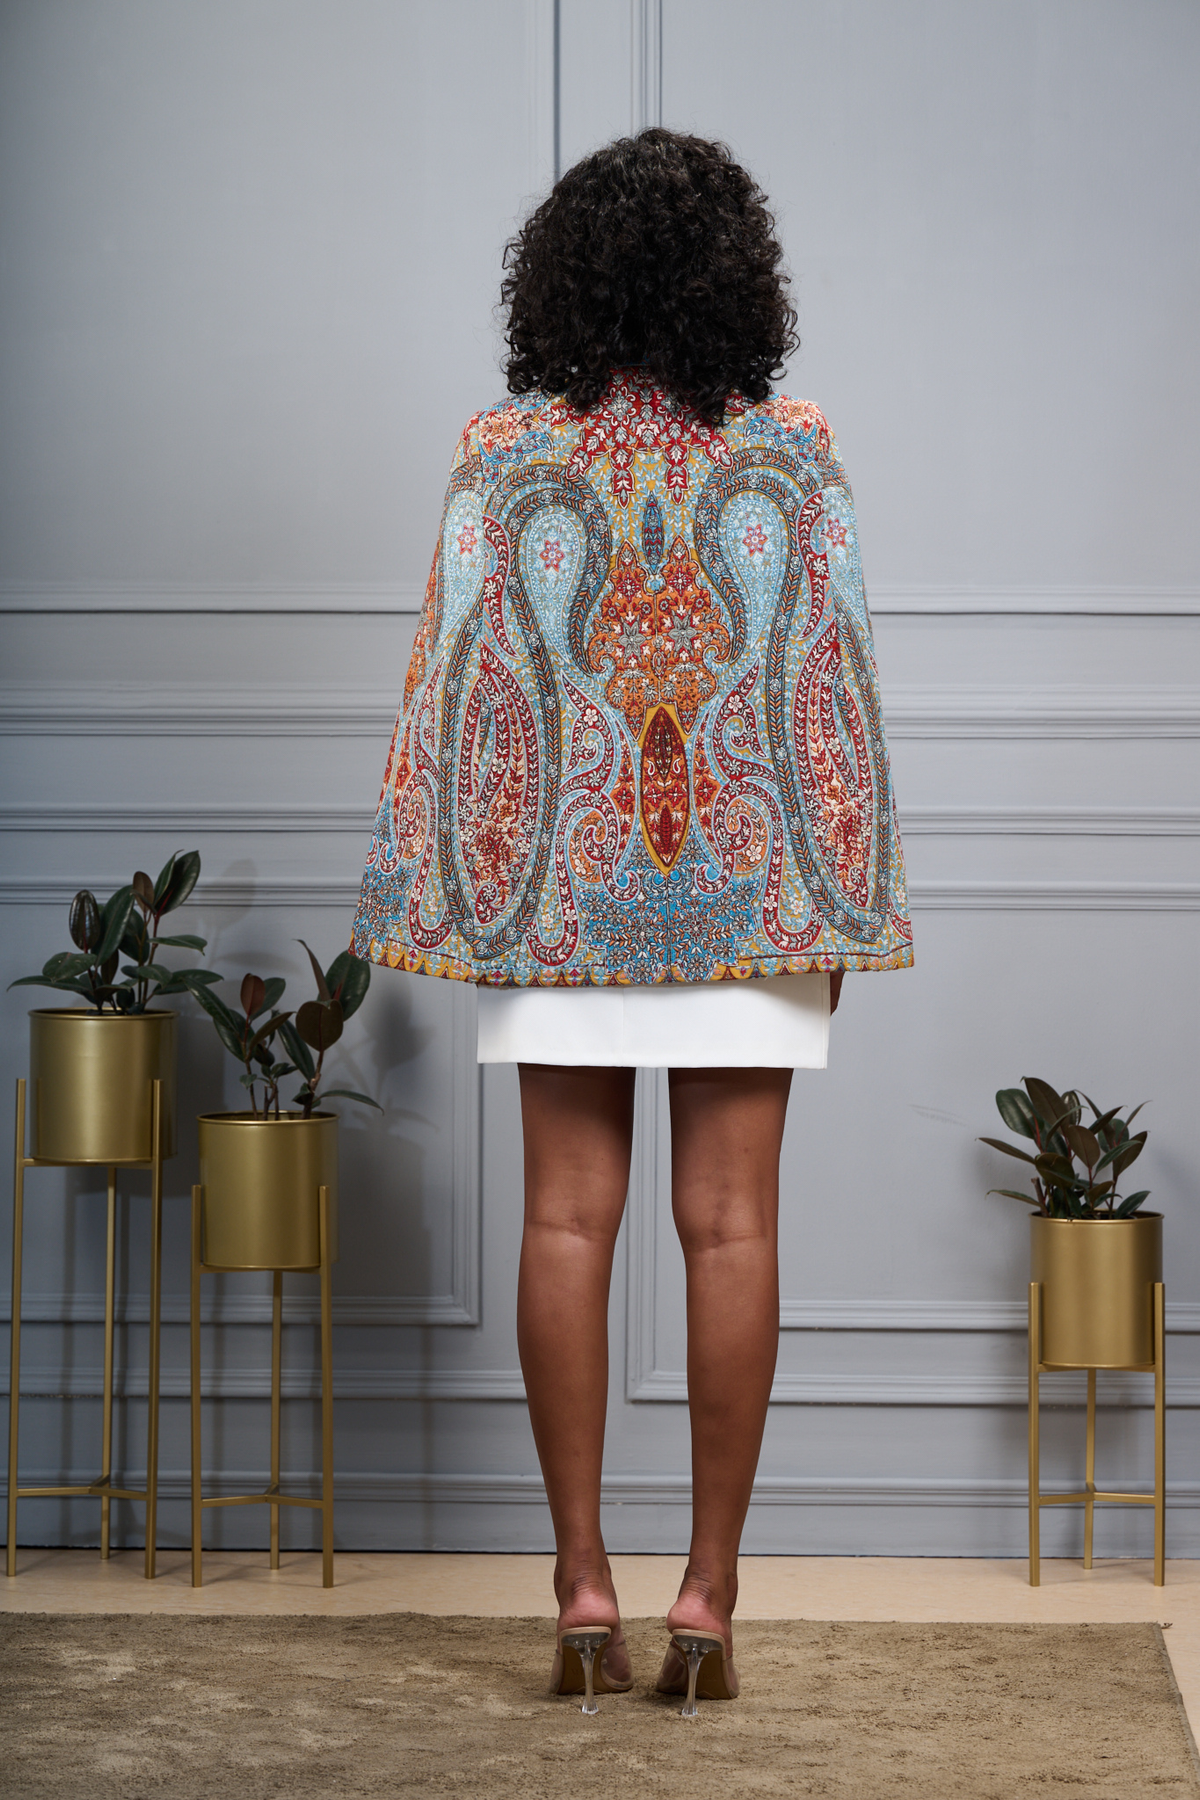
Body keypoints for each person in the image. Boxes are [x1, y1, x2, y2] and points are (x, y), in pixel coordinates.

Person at [352, 128, 912, 1716]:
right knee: (732, 1225)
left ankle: (583, 1586)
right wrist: (837, 909)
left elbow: (456, 693)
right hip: (749, 888)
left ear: (564, 278)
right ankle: (708, 1600)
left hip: (564, 891)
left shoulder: (500, 452)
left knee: (563, 1222)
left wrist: (462, 895)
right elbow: (832, 692)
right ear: (739, 278)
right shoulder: (796, 448)